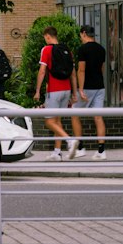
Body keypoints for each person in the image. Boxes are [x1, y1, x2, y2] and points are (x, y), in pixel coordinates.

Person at [33, 26, 74, 157]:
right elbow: (72, 74)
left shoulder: (46, 50)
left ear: (48, 36)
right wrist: (74, 93)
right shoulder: (67, 50)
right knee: (57, 121)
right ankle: (57, 152)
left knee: (49, 122)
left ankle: (70, 140)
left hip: (54, 90)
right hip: (66, 89)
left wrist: (37, 91)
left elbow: (42, 71)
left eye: (45, 37)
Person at [70, 25, 107, 159]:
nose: (80, 37)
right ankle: (101, 151)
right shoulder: (101, 49)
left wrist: (80, 88)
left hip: (86, 88)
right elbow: (101, 68)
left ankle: (81, 148)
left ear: (84, 34)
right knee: (98, 117)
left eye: (81, 35)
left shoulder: (82, 49)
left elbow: (81, 70)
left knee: (74, 113)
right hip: (100, 86)